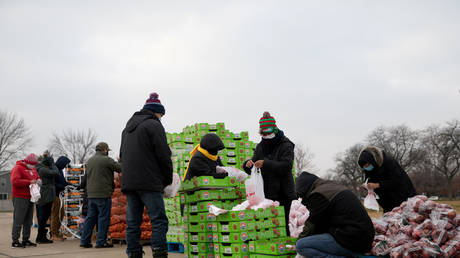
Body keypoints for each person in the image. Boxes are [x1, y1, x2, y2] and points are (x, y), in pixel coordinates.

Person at [120, 92, 173, 258]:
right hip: (149, 182)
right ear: (157, 112)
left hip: (130, 182)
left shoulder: (127, 129)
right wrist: (167, 179)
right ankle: (159, 252)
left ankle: (134, 253)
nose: (161, 118)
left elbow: (122, 155)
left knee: (133, 223)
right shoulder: (154, 125)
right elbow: (163, 155)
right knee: (159, 220)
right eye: (161, 115)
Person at [295, 172, 375, 257]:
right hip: (363, 238)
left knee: (301, 245)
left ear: (305, 190)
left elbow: (312, 224)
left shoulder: (318, 194)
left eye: (302, 196)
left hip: (353, 240)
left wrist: (299, 239)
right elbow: (322, 223)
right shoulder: (331, 186)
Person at [243, 111, 296, 235]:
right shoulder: (260, 146)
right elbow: (255, 163)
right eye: (263, 133)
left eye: (268, 133)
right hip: (267, 195)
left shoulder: (286, 145)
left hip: (284, 195)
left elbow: (286, 166)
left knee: (286, 229)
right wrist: (248, 164)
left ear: (274, 130)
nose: (265, 135)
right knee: (272, 230)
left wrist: (266, 163)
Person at [80, 142, 121, 248]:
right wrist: (121, 160)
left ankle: (84, 241)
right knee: (103, 218)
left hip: (91, 194)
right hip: (103, 194)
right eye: (107, 150)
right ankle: (101, 241)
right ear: (105, 150)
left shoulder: (90, 160)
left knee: (90, 218)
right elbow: (120, 168)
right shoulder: (106, 160)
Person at [357, 146, 417, 213]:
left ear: (373, 161)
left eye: (368, 165)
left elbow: (396, 181)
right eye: (364, 167)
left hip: (404, 199)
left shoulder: (390, 163)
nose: (367, 168)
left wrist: (378, 185)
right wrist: (367, 186)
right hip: (387, 204)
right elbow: (369, 181)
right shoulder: (368, 170)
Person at [10, 153, 40, 248]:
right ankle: (15, 241)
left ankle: (26, 239)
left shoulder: (33, 169)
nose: (33, 166)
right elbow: (15, 181)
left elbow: (37, 177)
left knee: (28, 220)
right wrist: (29, 182)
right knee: (18, 219)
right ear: (27, 162)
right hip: (20, 197)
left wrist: (39, 180)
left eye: (35, 164)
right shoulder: (18, 168)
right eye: (32, 164)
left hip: (30, 197)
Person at [35, 151, 60, 244]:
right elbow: (56, 172)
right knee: (43, 216)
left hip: (46, 194)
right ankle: (40, 237)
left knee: (44, 216)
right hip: (45, 195)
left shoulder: (40, 168)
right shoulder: (42, 170)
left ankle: (41, 236)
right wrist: (52, 164)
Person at [50, 156, 71, 241]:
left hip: (59, 195)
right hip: (54, 195)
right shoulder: (54, 170)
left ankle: (57, 232)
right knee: (56, 215)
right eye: (65, 164)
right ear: (61, 162)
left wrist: (69, 184)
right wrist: (63, 186)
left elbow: (63, 181)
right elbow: (54, 184)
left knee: (61, 214)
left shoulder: (60, 170)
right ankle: (53, 234)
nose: (66, 166)